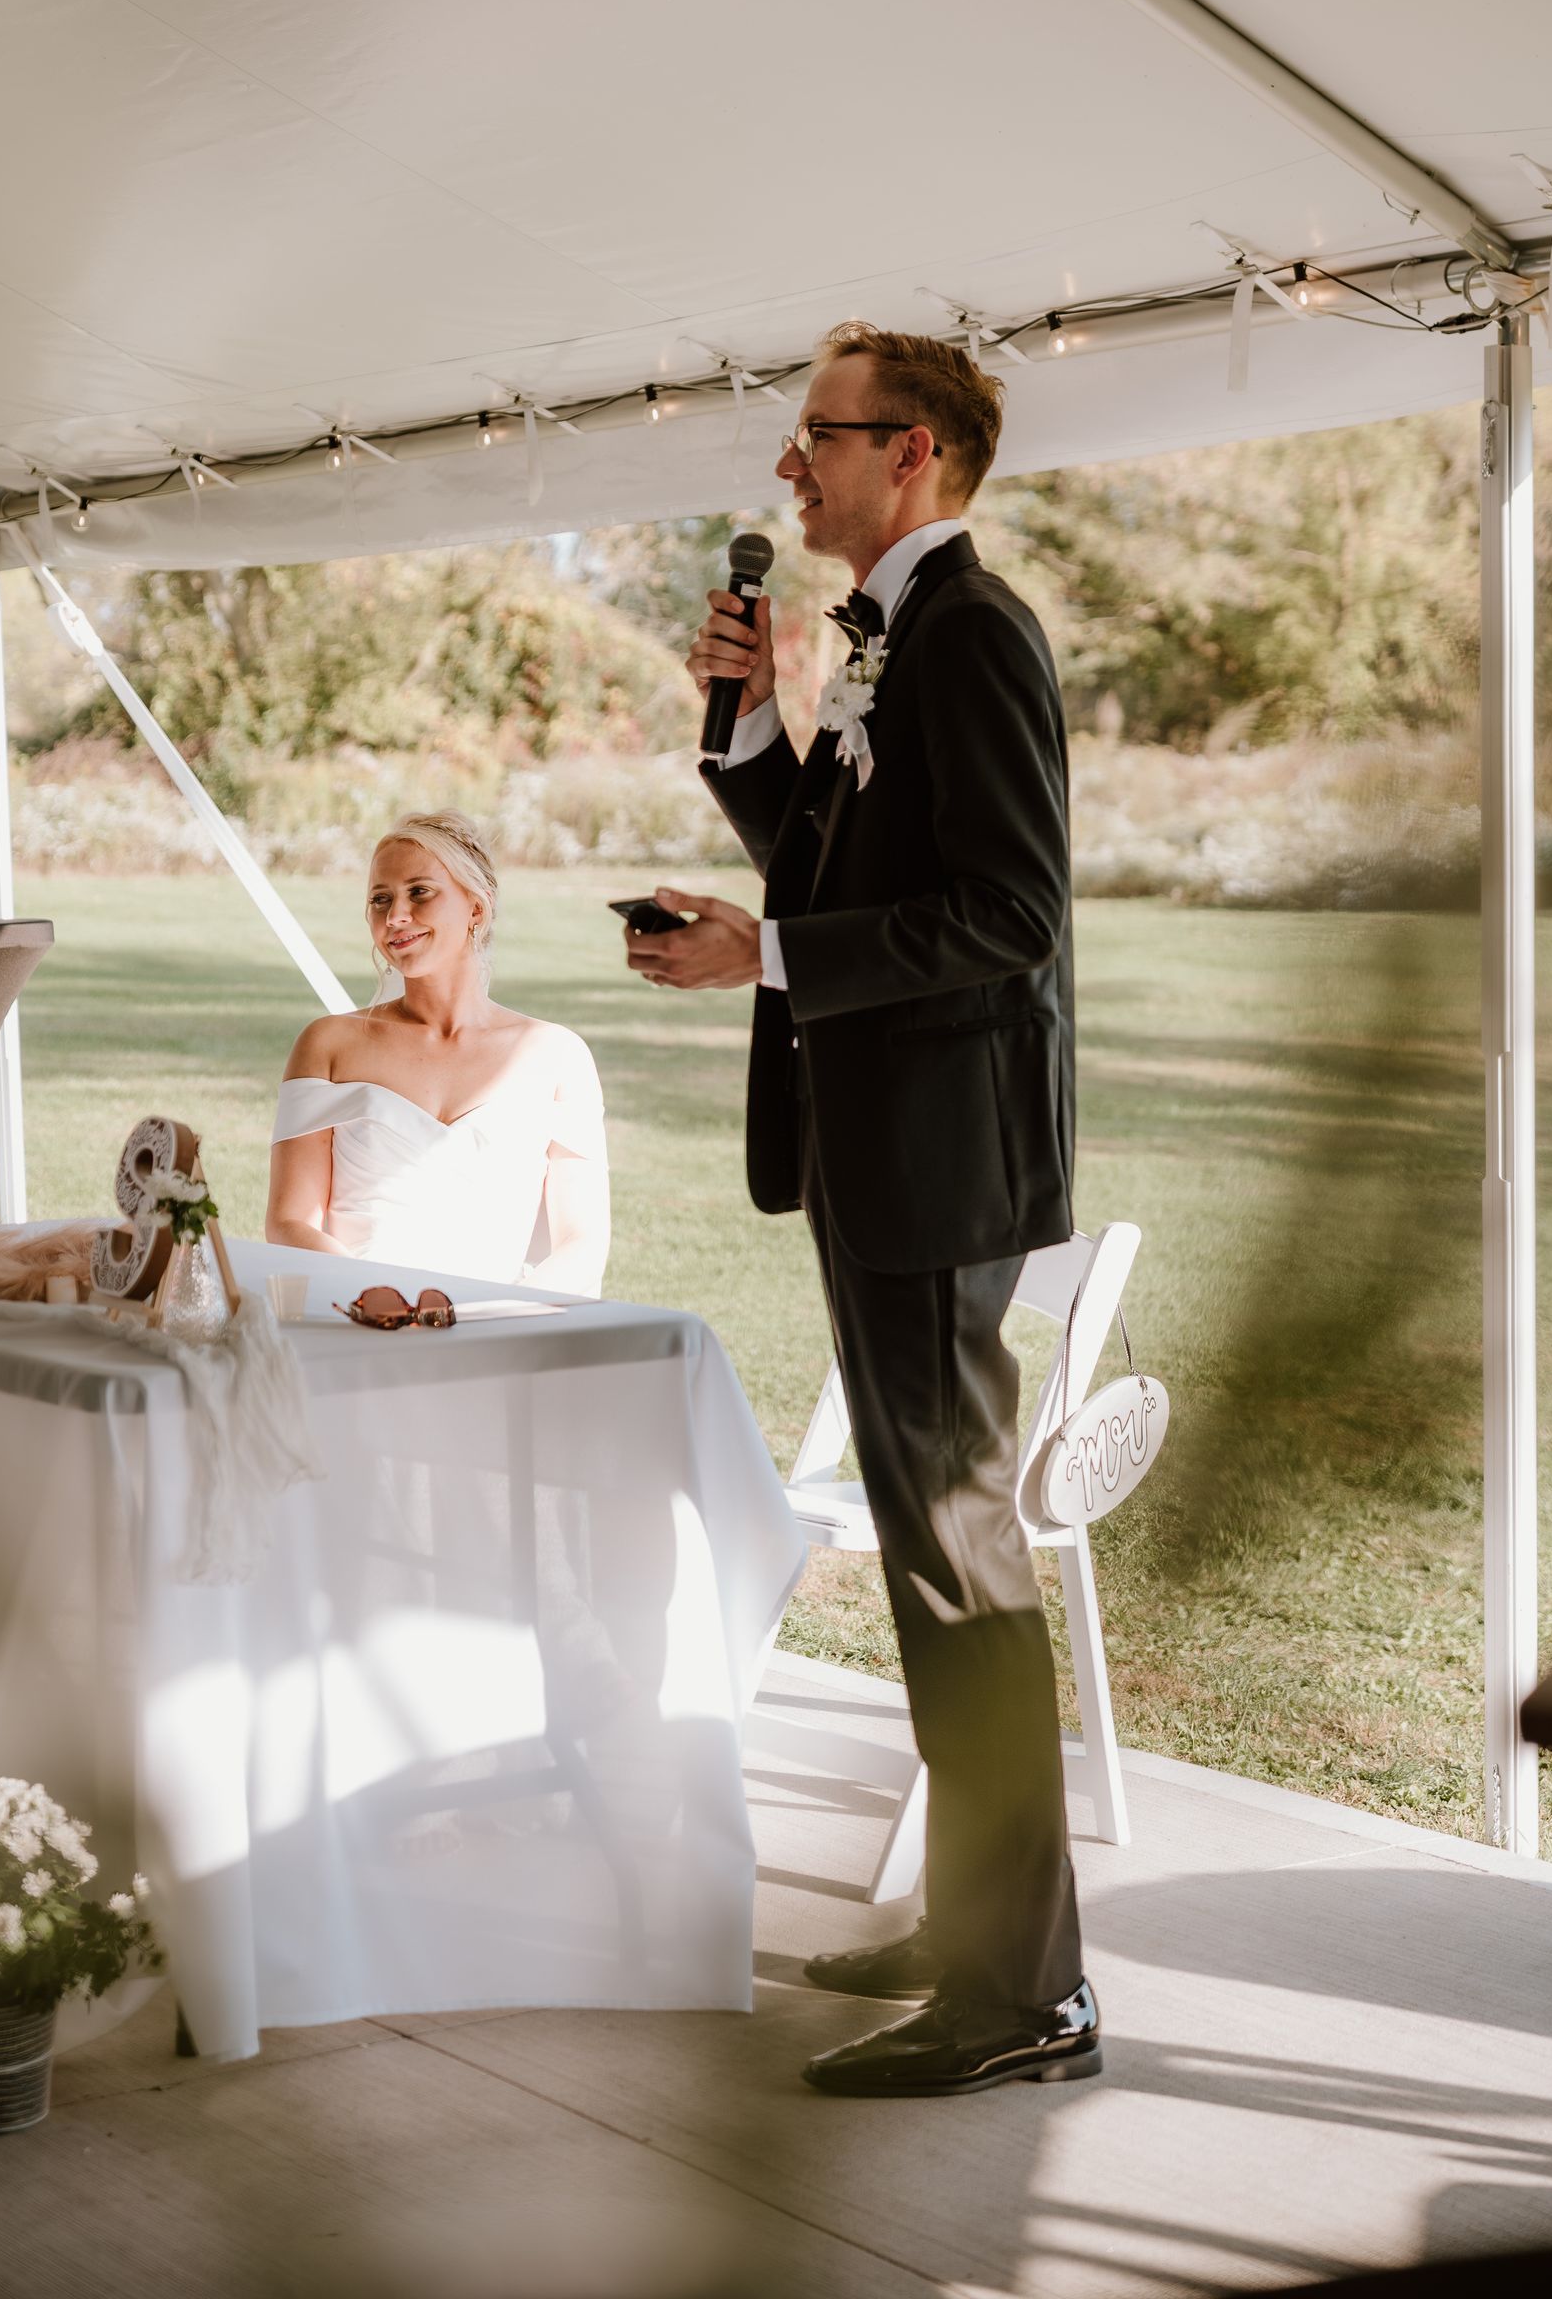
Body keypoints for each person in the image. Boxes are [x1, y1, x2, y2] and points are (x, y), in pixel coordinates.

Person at [622, 320, 1097, 2099]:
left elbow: (1011, 913)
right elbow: (822, 860)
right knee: (925, 1564)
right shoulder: (890, 640)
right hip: (879, 1152)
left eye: (817, 436)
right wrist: (757, 723)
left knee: (964, 1573)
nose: (788, 466)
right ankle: (975, 1926)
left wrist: (775, 955)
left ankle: (1026, 1995)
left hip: (939, 1167)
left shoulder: (973, 635)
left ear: (912, 455)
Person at [268, 812, 610, 1296]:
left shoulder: (557, 1057)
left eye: (420, 892)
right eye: (380, 900)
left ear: (477, 908)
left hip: (502, 1331)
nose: (396, 917)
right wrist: (388, 1309)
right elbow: (289, 1224)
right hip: (360, 1319)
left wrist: (508, 1320)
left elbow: (582, 1242)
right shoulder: (327, 1046)